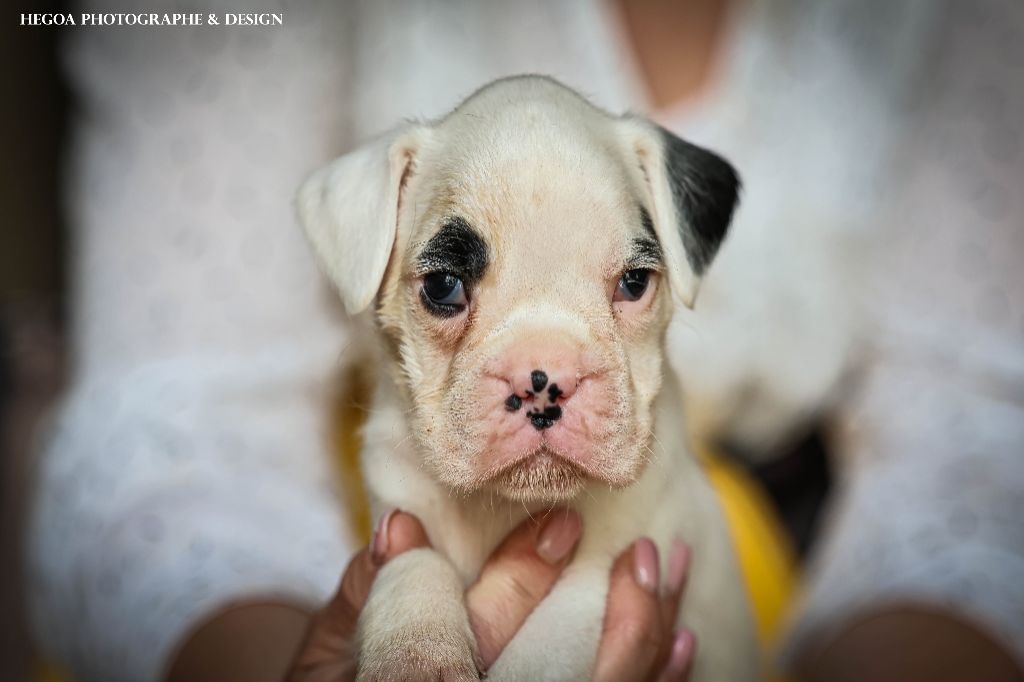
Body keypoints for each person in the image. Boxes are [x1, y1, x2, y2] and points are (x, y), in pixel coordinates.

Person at [29, 1, 1024, 680]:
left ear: (682, 262)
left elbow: (969, 443)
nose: (544, 377)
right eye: (448, 289)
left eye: (628, 284)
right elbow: (183, 423)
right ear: (369, 253)